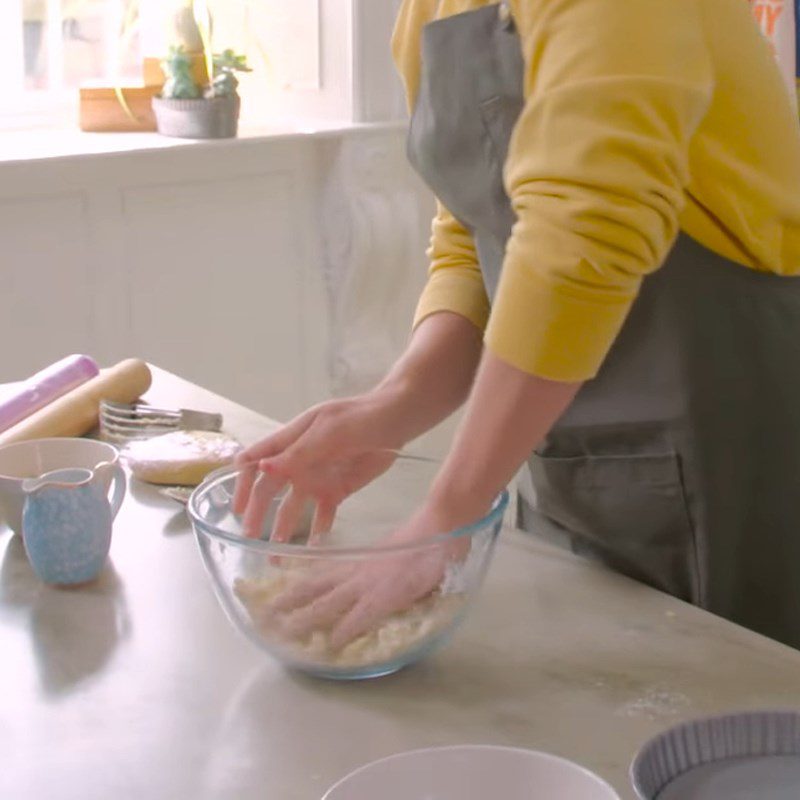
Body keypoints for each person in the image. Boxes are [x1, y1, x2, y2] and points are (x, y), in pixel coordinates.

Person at [235, 0, 800, 651]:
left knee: (735, 704)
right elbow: (476, 230)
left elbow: (586, 228)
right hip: (574, 446)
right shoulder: (429, 11)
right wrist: (397, 404)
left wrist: (447, 511)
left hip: (734, 431)